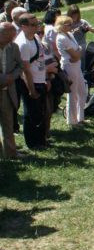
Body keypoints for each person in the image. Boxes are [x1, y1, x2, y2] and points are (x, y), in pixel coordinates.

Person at [15, 13, 50, 150]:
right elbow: (26, 71)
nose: (37, 27)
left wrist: (46, 78)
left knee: (41, 111)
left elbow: (41, 59)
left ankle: (41, 140)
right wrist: (31, 90)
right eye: (33, 25)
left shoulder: (35, 37)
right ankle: (33, 143)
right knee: (31, 113)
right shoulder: (22, 44)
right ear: (23, 26)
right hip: (31, 82)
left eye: (38, 23)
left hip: (40, 79)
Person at [55, 16, 87, 127]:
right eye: (68, 24)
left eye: (71, 23)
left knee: (82, 92)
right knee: (72, 94)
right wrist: (78, 52)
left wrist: (78, 52)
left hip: (76, 65)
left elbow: (78, 51)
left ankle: (80, 117)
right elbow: (75, 54)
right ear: (61, 25)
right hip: (69, 67)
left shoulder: (69, 34)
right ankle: (72, 121)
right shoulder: (61, 38)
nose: (71, 26)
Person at [0, 23, 22, 158]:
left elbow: (20, 66)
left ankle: (10, 153)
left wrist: (10, 78)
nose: (12, 40)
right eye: (9, 37)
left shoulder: (14, 47)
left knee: (8, 122)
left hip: (8, 90)